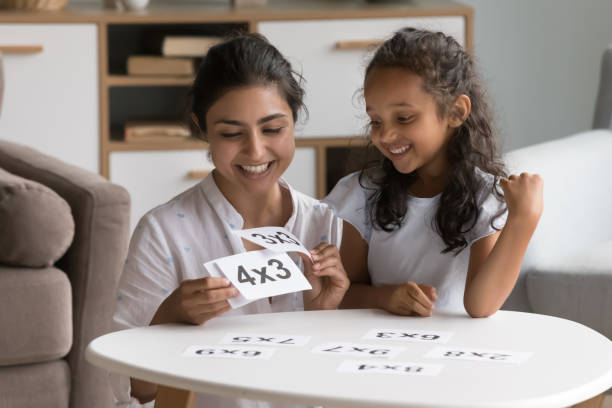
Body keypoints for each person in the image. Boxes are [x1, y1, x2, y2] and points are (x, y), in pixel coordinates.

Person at [111, 33, 349, 408]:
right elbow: (130, 395)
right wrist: (168, 320)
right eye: (231, 133)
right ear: (202, 127)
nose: (255, 151)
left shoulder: (328, 226)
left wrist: (323, 318)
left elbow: (349, 379)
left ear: (295, 118)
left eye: (273, 129)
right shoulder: (163, 232)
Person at [325, 28, 543, 318]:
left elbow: (481, 306)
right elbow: (341, 293)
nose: (386, 134)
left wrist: (523, 219)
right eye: (376, 120)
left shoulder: (484, 199)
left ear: (455, 112)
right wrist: (385, 297)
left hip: (452, 353)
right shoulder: (362, 193)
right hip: (374, 348)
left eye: (404, 118)